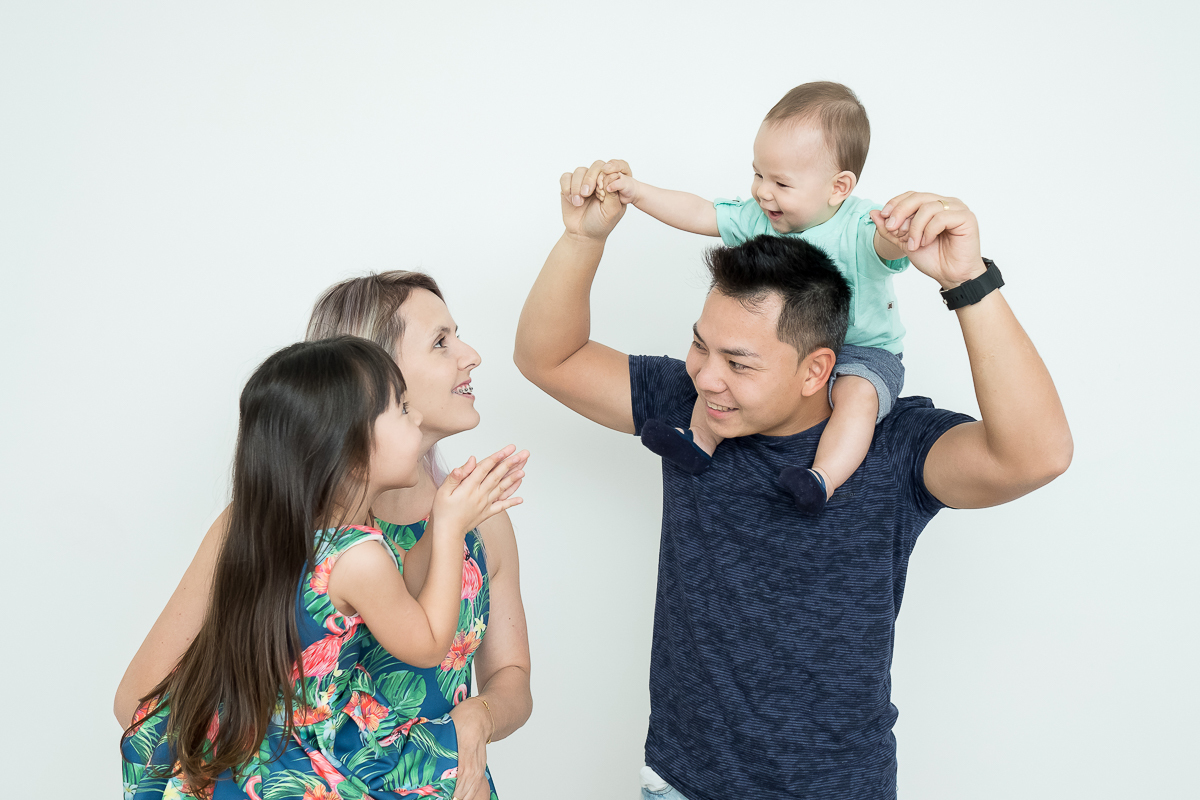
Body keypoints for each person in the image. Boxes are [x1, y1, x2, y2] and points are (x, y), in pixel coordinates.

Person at [514, 165, 1072, 799]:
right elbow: (547, 356)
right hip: (681, 783)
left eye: (739, 362)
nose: (708, 376)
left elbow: (1036, 455)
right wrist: (584, 238)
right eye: (701, 347)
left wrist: (970, 283)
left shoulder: (892, 444)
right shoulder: (690, 411)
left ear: (817, 370)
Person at [116, 273, 532, 800]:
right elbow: (140, 701)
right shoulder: (267, 527)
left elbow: (513, 676)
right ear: (368, 376)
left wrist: (477, 720)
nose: (470, 355)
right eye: (440, 342)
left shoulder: (481, 521)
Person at [599, 82, 909, 514]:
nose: (763, 192)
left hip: (863, 351)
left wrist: (900, 236)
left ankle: (823, 477)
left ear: (839, 187)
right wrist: (638, 192)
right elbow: (701, 212)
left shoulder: (859, 226)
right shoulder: (761, 216)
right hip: (781, 353)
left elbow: (887, 249)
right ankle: (697, 441)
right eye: (759, 174)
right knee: (720, 378)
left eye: (781, 182)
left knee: (857, 398)